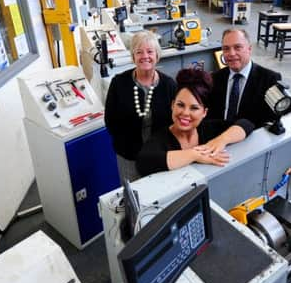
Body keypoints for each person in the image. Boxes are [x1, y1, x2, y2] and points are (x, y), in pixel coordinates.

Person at [136, 68, 254, 176]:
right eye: (180, 105)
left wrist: (221, 140)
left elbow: (246, 124)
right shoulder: (160, 139)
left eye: (194, 108)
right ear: (172, 105)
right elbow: (144, 162)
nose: (185, 113)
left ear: (204, 112)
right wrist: (194, 155)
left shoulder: (208, 128)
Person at [104, 30, 177, 184]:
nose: (145, 56)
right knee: (134, 198)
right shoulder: (119, 83)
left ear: (157, 55)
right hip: (128, 156)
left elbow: (175, 121)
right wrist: (125, 144)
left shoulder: (169, 85)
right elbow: (111, 121)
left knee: (160, 193)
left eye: (150, 51)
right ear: (133, 57)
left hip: (160, 154)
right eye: (139, 52)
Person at [208, 28, 282, 129]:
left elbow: (271, 121)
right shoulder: (214, 78)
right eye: (226, 48)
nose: (231, 53)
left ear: (249, 49)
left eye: (237, 47)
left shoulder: (270, 79)